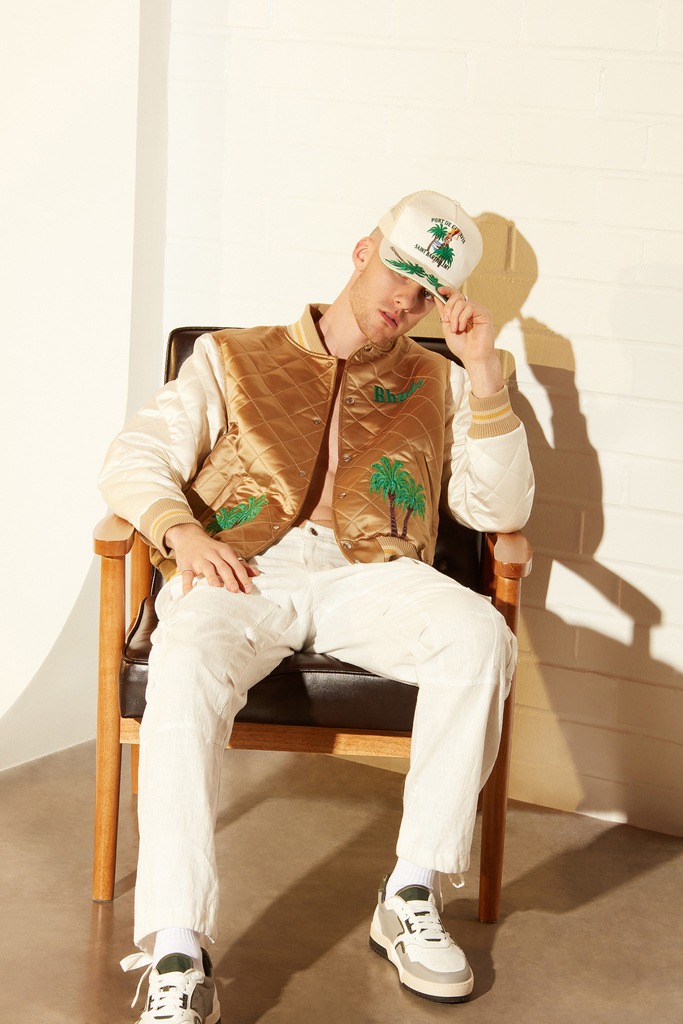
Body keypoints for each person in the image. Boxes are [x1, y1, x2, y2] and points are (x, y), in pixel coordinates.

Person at [100, 190, 534, 1020]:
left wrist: (482, 375)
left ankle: (410, 893)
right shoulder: (235, 356)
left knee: (479, 637)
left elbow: (499, 513)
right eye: (398, 275)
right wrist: (178, 534)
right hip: (243, 567)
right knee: (184, 664)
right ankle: (177, 950)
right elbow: (135, 455)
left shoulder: (437, 380)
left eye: (425, 295)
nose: (401, 305)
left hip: (372, 572)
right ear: (362, 248)